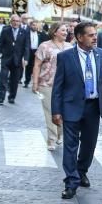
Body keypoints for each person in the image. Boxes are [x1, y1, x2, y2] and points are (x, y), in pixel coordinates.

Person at [52, 22, 102, 199]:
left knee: (89, 145)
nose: (95, 37)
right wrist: (56, 111)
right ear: (79, 37)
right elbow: (58, 86)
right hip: (71, 106)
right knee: (71, 146)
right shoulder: (65, 57)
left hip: (93, 107)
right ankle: (71, 182)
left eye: (95, 34)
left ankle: (81, 171)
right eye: (90, 35)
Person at [32, 22, 70, 151]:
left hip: (66, 85)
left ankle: (61, 134)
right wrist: (35, 83)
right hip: (46, 84)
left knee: (64, 112)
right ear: (55, 32)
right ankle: (51, 139)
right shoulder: (45, 46)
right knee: (50, 112)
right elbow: (37, 65)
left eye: (66, 31)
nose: (66, 32)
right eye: (63, 30)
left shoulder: (70, 47)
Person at [0, 14, 30, 105]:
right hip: (6, 59)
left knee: (14, 80)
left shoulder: (24, 32)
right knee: (3, 78)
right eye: (14, 21)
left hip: (17, 61)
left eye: (17, 21)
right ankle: (1, 97)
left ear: (20, 22)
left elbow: (26, 47)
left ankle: (12, 97)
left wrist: (26, 58)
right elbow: (0, 45)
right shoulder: (5, 30)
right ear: (11, 22)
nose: (16, 23)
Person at [23, 20, 48, 88]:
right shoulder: (26, 33)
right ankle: (27, 81)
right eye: (33, 25)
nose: (35, 26)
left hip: (37, 52)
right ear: (30, 26)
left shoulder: (40, 33)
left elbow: (47, 39)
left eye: (36, 25)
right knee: (29, 67)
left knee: (37, 67)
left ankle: (36, 82)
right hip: (29, 51)